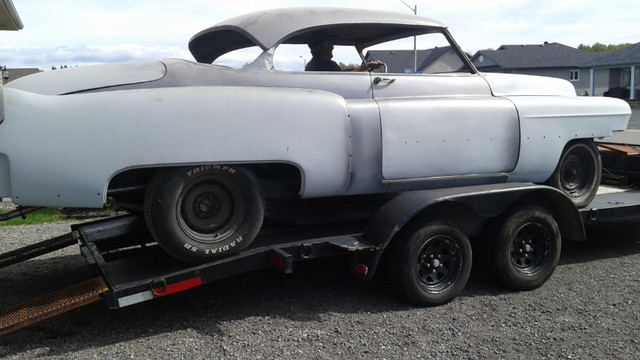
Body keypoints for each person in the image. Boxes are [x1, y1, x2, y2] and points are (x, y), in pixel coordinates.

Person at [305, 32, 383, 72]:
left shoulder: (310, 65)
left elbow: (341, 73)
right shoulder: (327, 65)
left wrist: (366, 66)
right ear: (322, 47)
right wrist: (367, 66)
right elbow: (343, 76)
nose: (332, 47)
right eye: (329, 44)